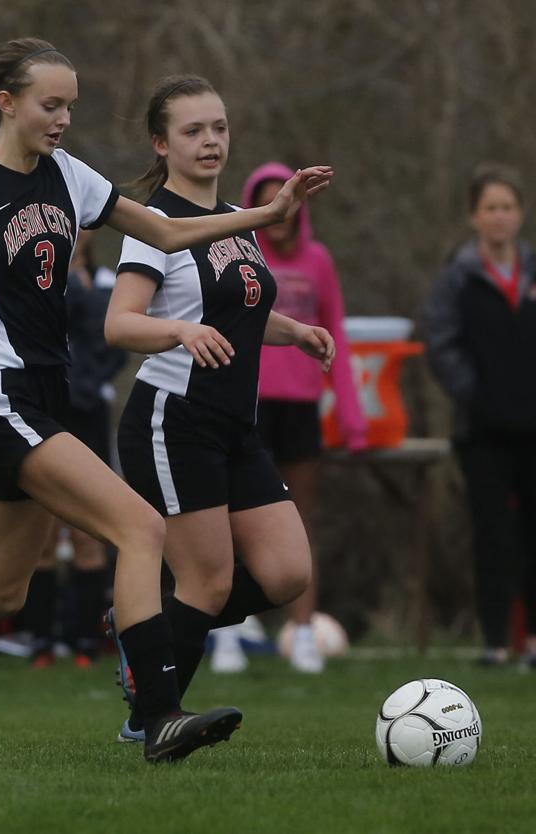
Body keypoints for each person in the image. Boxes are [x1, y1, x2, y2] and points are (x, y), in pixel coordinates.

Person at [0, 40, 331, 764]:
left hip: (48, 398)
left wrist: (267, 215)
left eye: (71, 105)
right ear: (7, 103)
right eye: (51, 104)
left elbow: (164, 231)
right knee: (139, 528)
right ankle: (160, 716)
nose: (64, 118)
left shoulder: (71, 177)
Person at [103, 75, 336, 743]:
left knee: (287, 572)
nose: (210, 141)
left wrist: (295, 331)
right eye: (192, 130)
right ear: (161, 142)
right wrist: (176, 332)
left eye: (219, 128)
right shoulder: (154, 223)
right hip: (172, 421)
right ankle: (153, 719)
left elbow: (235, 314)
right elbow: (120, 325)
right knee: (207, 582)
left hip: (234, 427)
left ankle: (140, 631)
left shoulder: (235, 220)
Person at [199, 162, 367, 675]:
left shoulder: (318, 261)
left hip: (300, 408)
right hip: (248, 403)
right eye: (267, 199)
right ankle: (226, 632)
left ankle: (302, 630)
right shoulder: (242, 255)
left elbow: (332, 329)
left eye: (286, 200)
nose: (280, 212)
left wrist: (353, 418)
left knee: (299, 521)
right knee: (230, 520)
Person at [423, 162, 536, 668]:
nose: (499, 217)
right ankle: (494, 643)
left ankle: (531, 641)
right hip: (481, 431)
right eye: (490, 208)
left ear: (521, 214)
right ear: (474, 216)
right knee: (492, 535)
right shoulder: (457, 280)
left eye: (508, 208)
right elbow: (440, 346)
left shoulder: (532, 272)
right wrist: (479, 393)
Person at [26, 229, 126, 669]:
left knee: (90, 533)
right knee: (41, 533)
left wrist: (87, 383)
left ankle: (86, 642)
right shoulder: (33, 279)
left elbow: (113, 343)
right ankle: (41, 642)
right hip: (44, 411)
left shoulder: (106, 283)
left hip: (87, 415)